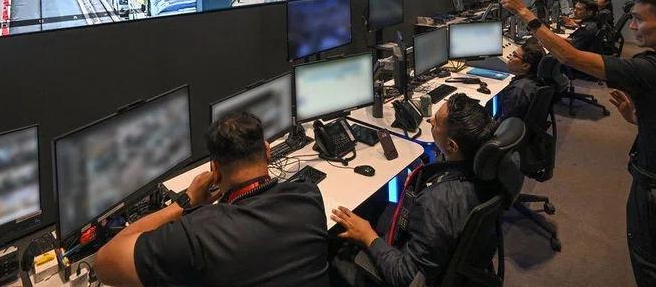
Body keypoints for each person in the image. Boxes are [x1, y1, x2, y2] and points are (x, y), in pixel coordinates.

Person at [496, 0, 656, 286]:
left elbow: (569, 56)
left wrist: (523, 12)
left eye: (640, 20)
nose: (633, 26)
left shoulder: (653, 70)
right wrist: (639, 118)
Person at [95, 111, 330, 287]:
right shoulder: (308, 197)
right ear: (267, 151)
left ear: (215, 171)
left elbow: (105, 263)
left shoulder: (198, 233)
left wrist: (185, 202)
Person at [330, 95, 498, 287]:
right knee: (372, 206)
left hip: (404, 265)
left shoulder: (434, 204)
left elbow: (407, 277)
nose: (430, 121)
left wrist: (368, 236)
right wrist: (427, 176)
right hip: (439, 244)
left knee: (333, 240)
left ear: (451, 145)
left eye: (436, 124)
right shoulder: (486, 169)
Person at [498, 42, 546, 122]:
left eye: (515, 55)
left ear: (526, 66)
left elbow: (506, 122)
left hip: (507, 131)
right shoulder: (535, 80)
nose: (510, 57)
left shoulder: (518, 90)